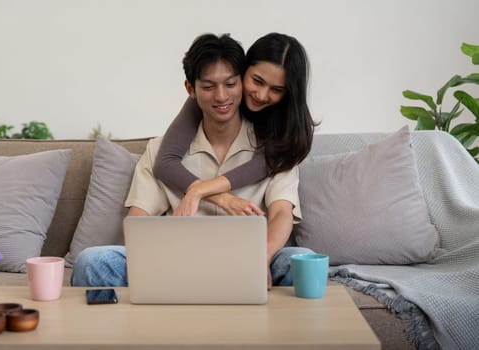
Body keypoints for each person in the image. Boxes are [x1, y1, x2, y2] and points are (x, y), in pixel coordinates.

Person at [71, 33, 314, 289]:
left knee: (302, 262)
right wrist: (166, 254)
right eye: (208, 87)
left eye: (229, 84)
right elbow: (137, 221)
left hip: (247, 263)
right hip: (174, 265)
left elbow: (281, 214)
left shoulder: (280, 148)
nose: (221, 97)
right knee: (91, 262)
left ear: (239, 82)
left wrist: (260, 258)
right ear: (191, 89)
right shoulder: (161, 150)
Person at [153, 32, 317, 216]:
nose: (262, 95)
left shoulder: (286, 124)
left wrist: (199, 191)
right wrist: (220, 198)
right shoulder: (213, 98)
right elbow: (165, 163)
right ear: (243, 70)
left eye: (276, 89)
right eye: (257, 81)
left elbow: (261, 165)